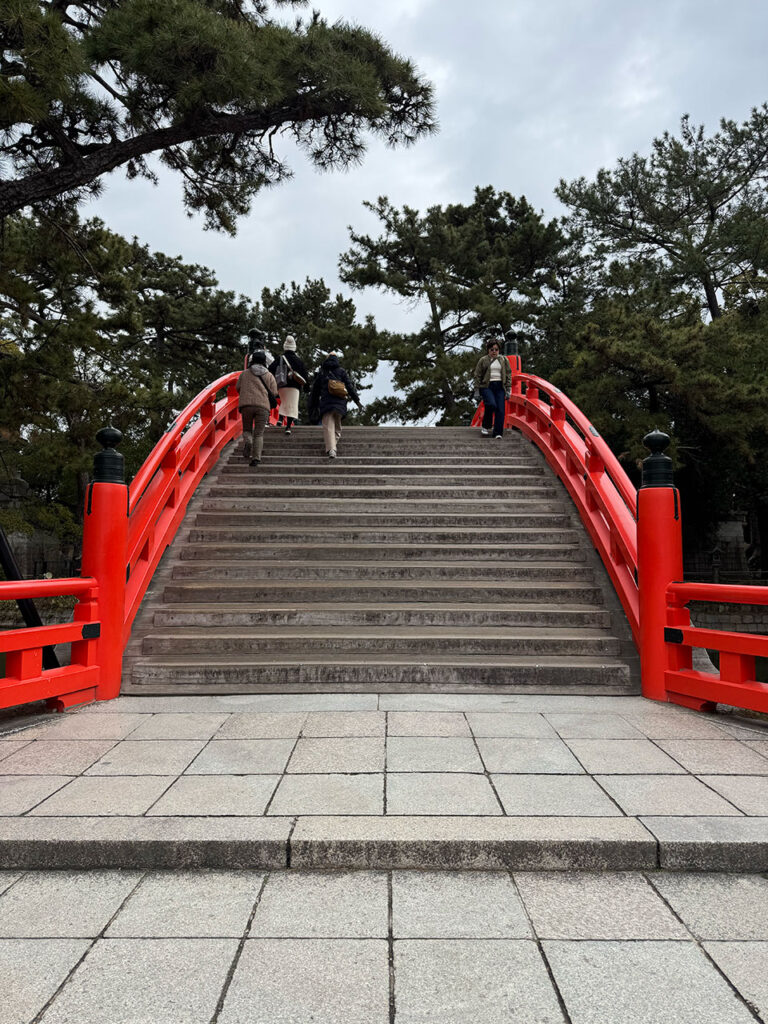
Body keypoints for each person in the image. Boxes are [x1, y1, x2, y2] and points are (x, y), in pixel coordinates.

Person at [308, 350, 361, 458]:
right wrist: (357, 401)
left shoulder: (322, 372)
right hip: (340, 404)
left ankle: (332, 449)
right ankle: (332, 446)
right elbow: (350, 387)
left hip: (326, 404)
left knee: (328, 428)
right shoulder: (341, 371)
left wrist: (313, 405)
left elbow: (315, 392)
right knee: (337, 428)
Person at [236, 349, 278, 466]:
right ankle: (256, 459)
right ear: (264, 361)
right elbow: (274, 392)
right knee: (259, 434)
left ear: (252, 360)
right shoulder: (269, 375)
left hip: (247, 405)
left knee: (247, 430)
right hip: (263, 407)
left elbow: (238, 387)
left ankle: (248, 441)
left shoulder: (244, 374)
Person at [268, 335, 308, 435]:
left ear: (285, 346)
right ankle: (288, 427)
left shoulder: (280, 358)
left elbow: (270, 369)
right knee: (292, 406)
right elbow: (305, 375)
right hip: (294, 387)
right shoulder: (298, 361)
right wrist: (307, 387)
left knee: (284, 402)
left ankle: (280, 419)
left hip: (282, 385)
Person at [473, 338, 511, 438]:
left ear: (499, 350)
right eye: (492, 349)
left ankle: (497, 433)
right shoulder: (483, 360)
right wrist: (476, 390)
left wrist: (508, 389)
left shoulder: (503, 360)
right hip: (487, 386)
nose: (494, 352)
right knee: (491, 404)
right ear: (488, 350)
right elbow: (477, 375)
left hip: (500, 386)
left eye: (496, 349)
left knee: (500, 410)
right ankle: (486, 425)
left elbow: (508, 374)